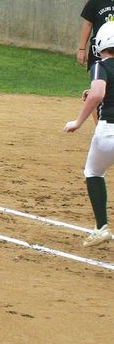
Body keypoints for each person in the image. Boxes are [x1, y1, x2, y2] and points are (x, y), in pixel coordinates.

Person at [65, 21, 114, 247]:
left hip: (108, 132)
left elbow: (98, 94)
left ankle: (102, 227)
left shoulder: (100, 66)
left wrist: (78, 122)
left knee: (93, 171)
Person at [77, 0, 114, 72]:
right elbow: (87, 24)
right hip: (98, 50)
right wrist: (82, 49)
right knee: (97, 79)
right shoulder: (95, 1)